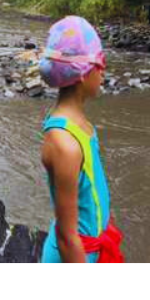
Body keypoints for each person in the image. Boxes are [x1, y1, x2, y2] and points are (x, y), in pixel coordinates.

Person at [38, 15, 124, 263]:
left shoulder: (81, 125)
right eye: (101, 62)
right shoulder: (64, 143)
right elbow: (67, 237)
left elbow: (91, 189)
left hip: (94, 248)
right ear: (83, 73)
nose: (104, 70)